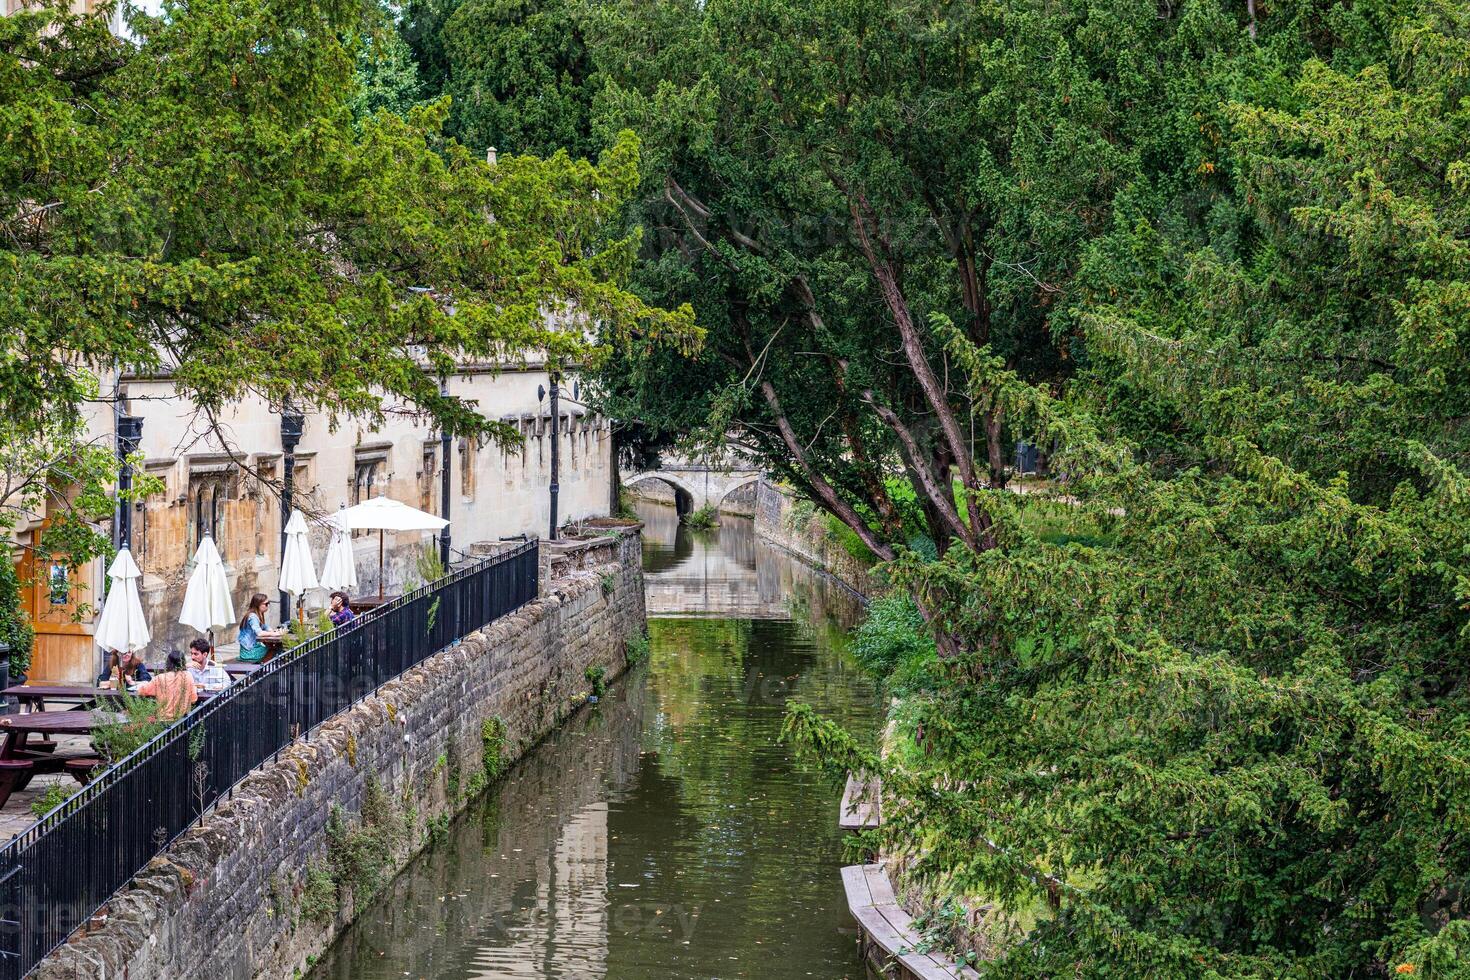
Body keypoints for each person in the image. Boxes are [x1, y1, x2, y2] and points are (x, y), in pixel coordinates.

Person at [136, 650, 198, 721]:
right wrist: (194, 687)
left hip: (164, 722)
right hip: (183, 721)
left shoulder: (160, 678)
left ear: (168, 663)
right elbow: (193, 699)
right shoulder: (188, 676)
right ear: (183, 662)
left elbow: (141, 691)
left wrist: (144, 684)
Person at [237, 593, 282, 663]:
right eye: (266, 604)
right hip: (249, 653)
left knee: (274, 648)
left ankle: (261, 670)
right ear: (258, 604)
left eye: (268, 603)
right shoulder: (253, 617)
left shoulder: (257, 615)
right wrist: (274, 634)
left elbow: (264, 626)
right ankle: (261, 670)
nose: (268, 606)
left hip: (250, 649)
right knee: (275, 649)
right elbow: (259, 633)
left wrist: (272, 631)